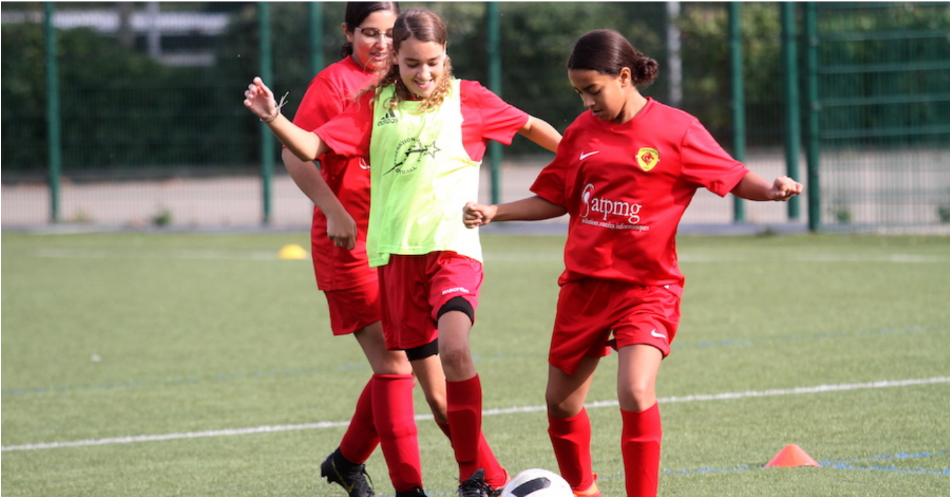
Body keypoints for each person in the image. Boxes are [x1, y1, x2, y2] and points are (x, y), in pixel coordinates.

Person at [462, 29, 803, 497]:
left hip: (648, 288)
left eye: (593, 89)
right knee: (559, 404)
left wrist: (770, 190)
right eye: (578, 92)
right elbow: (555, 196)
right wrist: (497, 212)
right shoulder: (582, 133)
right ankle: (582, 490)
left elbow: (731, 174)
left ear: (624, 76)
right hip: (584, 286)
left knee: (636, 390)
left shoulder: (677, 130)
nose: (586, 102)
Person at [245, 7, 562, 497]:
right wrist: (274, 118)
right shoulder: (368, 102)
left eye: (432, 61)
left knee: (449, 354)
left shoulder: (468, 97)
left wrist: (581, 164)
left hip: (450, 251)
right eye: (411, 62)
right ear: (395, 58)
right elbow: (307, 148)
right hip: (387, 255)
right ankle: (407, 482)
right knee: (399, 370)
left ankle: (473, 479)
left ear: (444, 55)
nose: (424, 72)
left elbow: (530, 125)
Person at [278, 4, 429, 497]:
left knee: (402, 363)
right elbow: (295, 152)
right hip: (350, 244)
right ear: (348, 32)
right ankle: (410, 487)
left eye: (390, 33)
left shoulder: (412, 76)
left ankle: (346, 461)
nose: (382, 44)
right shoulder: (335, 84)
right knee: (395, 366)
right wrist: (334, 211)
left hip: (402, 243)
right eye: (370, 33)